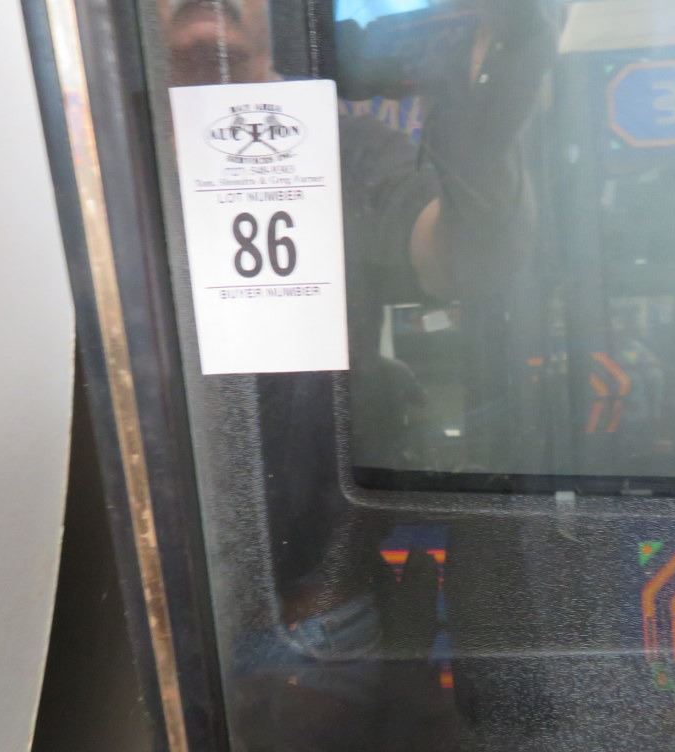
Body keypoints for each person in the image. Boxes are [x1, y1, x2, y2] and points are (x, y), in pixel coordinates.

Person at [165, 1, 553, 748]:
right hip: (150, 601)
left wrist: (480, 141)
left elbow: (466, 260)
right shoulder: (92, 154)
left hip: (317, 611)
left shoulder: (334, 145)